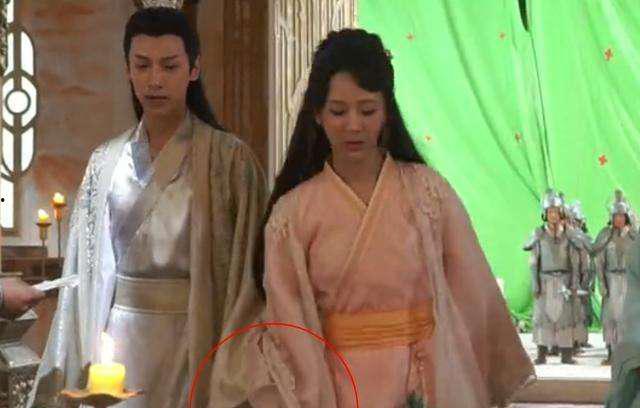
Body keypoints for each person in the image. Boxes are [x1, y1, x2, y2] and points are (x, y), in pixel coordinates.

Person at [247, 28, 534, 408]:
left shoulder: (429, 194)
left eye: (367, 110)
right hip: (338, 386)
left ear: (386, 111)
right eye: (338, 111)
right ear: (317, 114)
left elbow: (473, 295)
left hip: (426, 379)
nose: (354, 125)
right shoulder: (293, 214)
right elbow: (290, 323)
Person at [29, 7, 266, 407]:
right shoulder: (105, 162)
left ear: (194, 69)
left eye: (169, 66)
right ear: (128, 70)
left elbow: (247, 278)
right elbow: (85, 273)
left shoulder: (229, 161)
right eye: (142, 65)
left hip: (196, 335)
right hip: (118, 342)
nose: (155, 80)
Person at [524, 189, 582, 365]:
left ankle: (566, 354)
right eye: (550, 212)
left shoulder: (568, 234)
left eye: (556, 212)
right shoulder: (539, 234)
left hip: (564, 280)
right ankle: (542, 353)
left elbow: (574, 262)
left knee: (565, 317)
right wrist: (535, 283)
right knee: (543, 316)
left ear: (561, 213)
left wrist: (574, 283)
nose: (553, 215)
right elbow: (533, 262)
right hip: (545, 280)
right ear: (545, 214)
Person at [595, 189, 636, 365]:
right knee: (610, 318)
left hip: (629, 281)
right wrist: (602, 284)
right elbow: (599, 263)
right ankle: (611, 352)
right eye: (615, 216)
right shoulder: (605, 236)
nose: (618, 219)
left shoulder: (634, 237)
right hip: (611, 280)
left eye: (621, 215)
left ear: (626, 217)